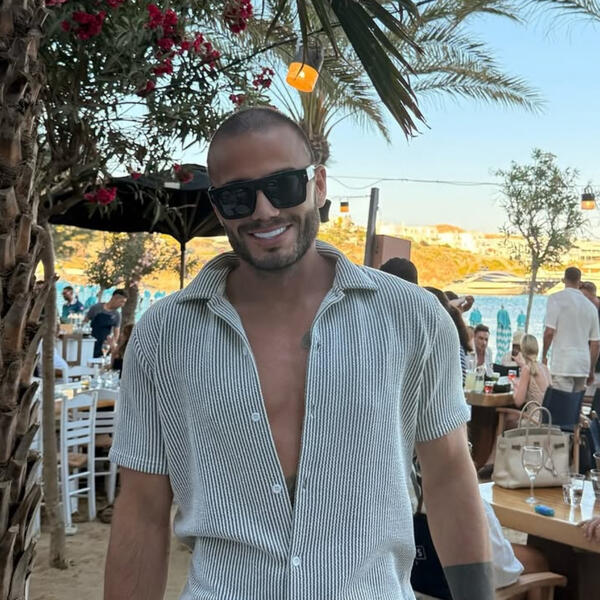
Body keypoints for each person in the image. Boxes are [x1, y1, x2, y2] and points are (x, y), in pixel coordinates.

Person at [105, 107, 494, 600]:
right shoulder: (163, 336)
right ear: (219, 208)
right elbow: (142, 507)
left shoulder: (412, 318)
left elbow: (449, 474)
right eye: (238, 196)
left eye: (284, 185)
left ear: (319, 184)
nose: (264, 211)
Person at [542, 267, 600, 392]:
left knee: (561, 401)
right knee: (575, 402)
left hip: (563, 363)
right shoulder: (590, 307)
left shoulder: (555, 299)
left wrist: (544, 355)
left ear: (564, 280)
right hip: (582, 365)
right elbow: (595, 344)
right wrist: (591, 369)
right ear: (579, 281)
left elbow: (549, 333)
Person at [84, 290, 127, 358]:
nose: (123, 305)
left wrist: (111, 346)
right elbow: (84, 322)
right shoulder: (96, 308)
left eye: (124, 303)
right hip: (90, 342)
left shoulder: (117, 315)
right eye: (122, 302)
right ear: (114, 298)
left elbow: (116, 334)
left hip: (104, 345)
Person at [513, 334, 551, 409]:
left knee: (502, 413)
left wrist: (516, 386)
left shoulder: (527, 369)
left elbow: (518, 402)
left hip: (534, 415)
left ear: (522, 350)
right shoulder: (545, 368)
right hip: (547, 414)